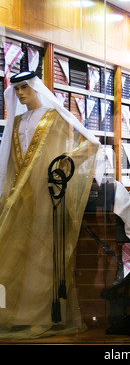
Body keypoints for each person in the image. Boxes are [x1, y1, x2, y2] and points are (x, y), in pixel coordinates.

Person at [0, 71, 104, 339]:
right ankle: (12, 313)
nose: (21, 93)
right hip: (18, 196)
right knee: (12, 250)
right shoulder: (17, 121)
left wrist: (63, 163)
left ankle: (42, 316)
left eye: (25, 87)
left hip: (48, 197)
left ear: (35, 87)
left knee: (42, 255)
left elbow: (91, 143)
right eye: (17, 89)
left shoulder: (55, 117)